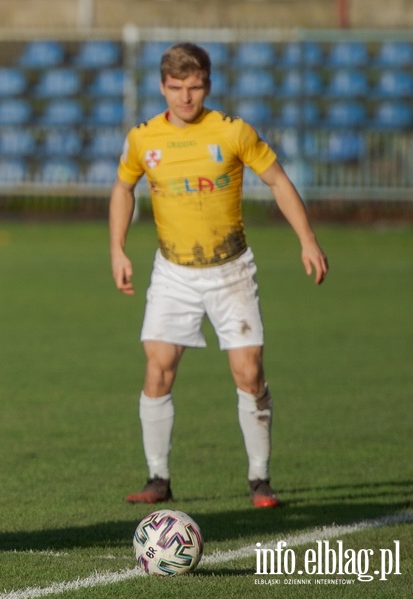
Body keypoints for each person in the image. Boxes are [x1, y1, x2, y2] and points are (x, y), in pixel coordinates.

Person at [109, 42, 328, 509]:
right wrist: (117, 249)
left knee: (249, 372)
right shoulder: (143, 138)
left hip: (231, 270)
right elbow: (123, 187)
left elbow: (278, 181)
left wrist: (307, 239)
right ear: (162, 87)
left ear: (207, 84)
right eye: (176, 88)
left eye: (194, 87)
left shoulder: (233, 132)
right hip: (173, 272)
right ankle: (158, 477)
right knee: (157, 370)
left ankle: (260, 479)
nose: (185, 98)